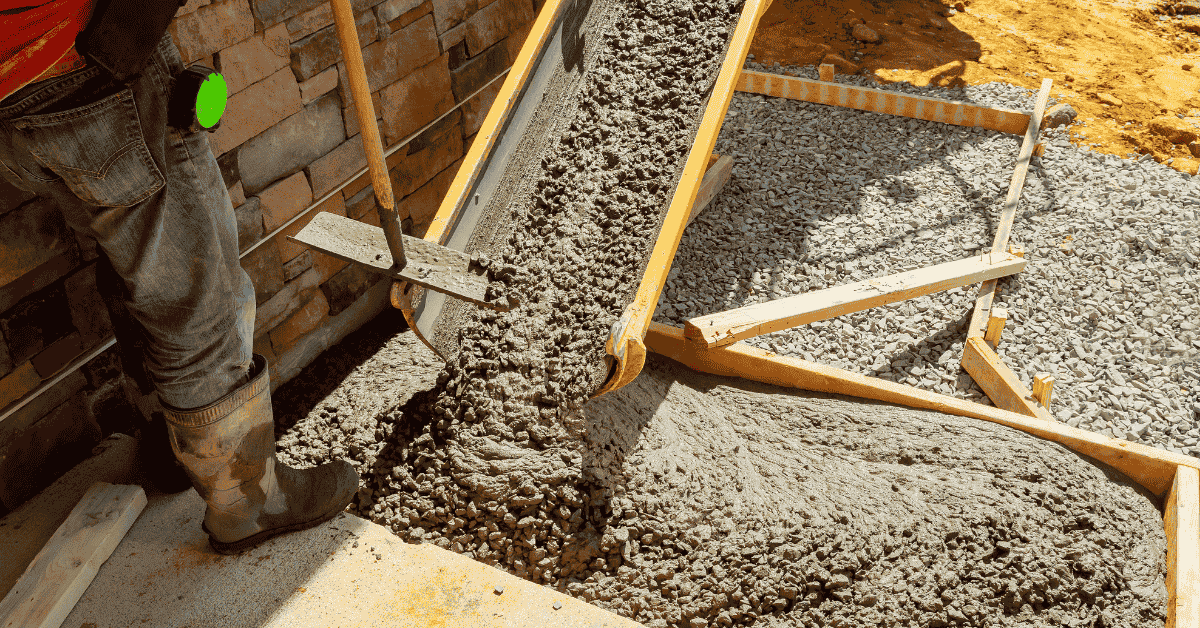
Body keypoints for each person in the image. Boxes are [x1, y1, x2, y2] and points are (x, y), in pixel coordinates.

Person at [0, 1, 359, 555]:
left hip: (15, 95)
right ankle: (248, 503)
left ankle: (169, 447)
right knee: (196, 295)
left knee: (133, 262)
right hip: (84, 65)